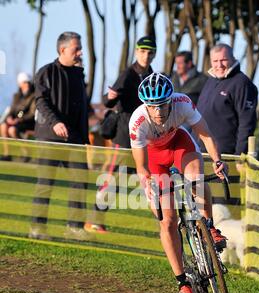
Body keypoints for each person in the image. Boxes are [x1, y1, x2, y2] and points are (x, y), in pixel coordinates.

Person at [129, 72, 228, 293]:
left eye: (163, 104)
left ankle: (209, 227)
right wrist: (150, 188)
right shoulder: (138, 122)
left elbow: (204, 134)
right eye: (153, 106)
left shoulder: (183, 103)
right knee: (168, 220)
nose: (159, 111)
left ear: (171, 100)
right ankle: (183, 284)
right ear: (146, 106)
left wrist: (217, 160)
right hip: (155, 161)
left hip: (179, 146)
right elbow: (142, 168)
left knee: (197, 178)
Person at [29, 31, 91, 240]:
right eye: (76, 49)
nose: (80, 53)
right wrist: (55, 123)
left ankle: (74, 227)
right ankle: (37, 229)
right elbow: (40, 101)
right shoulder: (46, 72)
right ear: (63, 49)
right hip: (50, 138)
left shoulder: (79, 74)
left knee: (80, 182)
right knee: (45, 184)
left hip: (75, 139)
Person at [197, 43, 258, 155]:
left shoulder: (242, 83)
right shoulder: (210, 81)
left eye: (223, 60)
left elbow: (247, 123)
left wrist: (240, 155)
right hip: (202, 151)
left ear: (233, 59)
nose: (219, 65)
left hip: (226, 155)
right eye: (215, 61)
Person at [102, 36, 157, 148]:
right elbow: (108, 102)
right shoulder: (128, 74)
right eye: (142, 51)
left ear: (155, 54)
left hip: (145, 133)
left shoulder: (153, 77)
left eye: (150, 53)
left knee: (141, 166)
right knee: (122, 166)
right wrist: (110, 97)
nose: (146, 56)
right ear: (136, 52)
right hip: (124, 134)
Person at [0, 72, 35, 161]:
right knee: (3, 126)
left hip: (27, 123)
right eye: (24, 82)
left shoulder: (33, 96)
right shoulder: (16, 96)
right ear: (20, 84)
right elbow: (12, 110)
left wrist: (19, 120)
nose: (26, 84)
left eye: (28, 82)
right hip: (16, 121)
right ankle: (7, 154)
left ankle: (26, 153)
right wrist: (9, 118)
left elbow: (32, 114)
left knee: (12, 130)